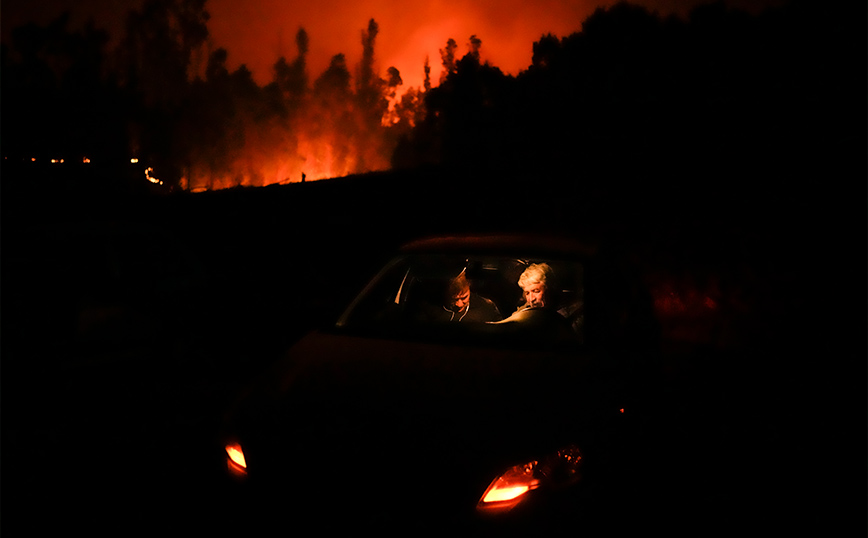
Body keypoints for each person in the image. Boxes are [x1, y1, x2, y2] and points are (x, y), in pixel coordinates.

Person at [419, 269, 502, 323]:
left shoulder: (486, 307)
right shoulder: (430, 307)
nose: (459, 304)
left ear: (469, 287)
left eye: (464, 297)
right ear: (445, 293)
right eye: (454, 299)